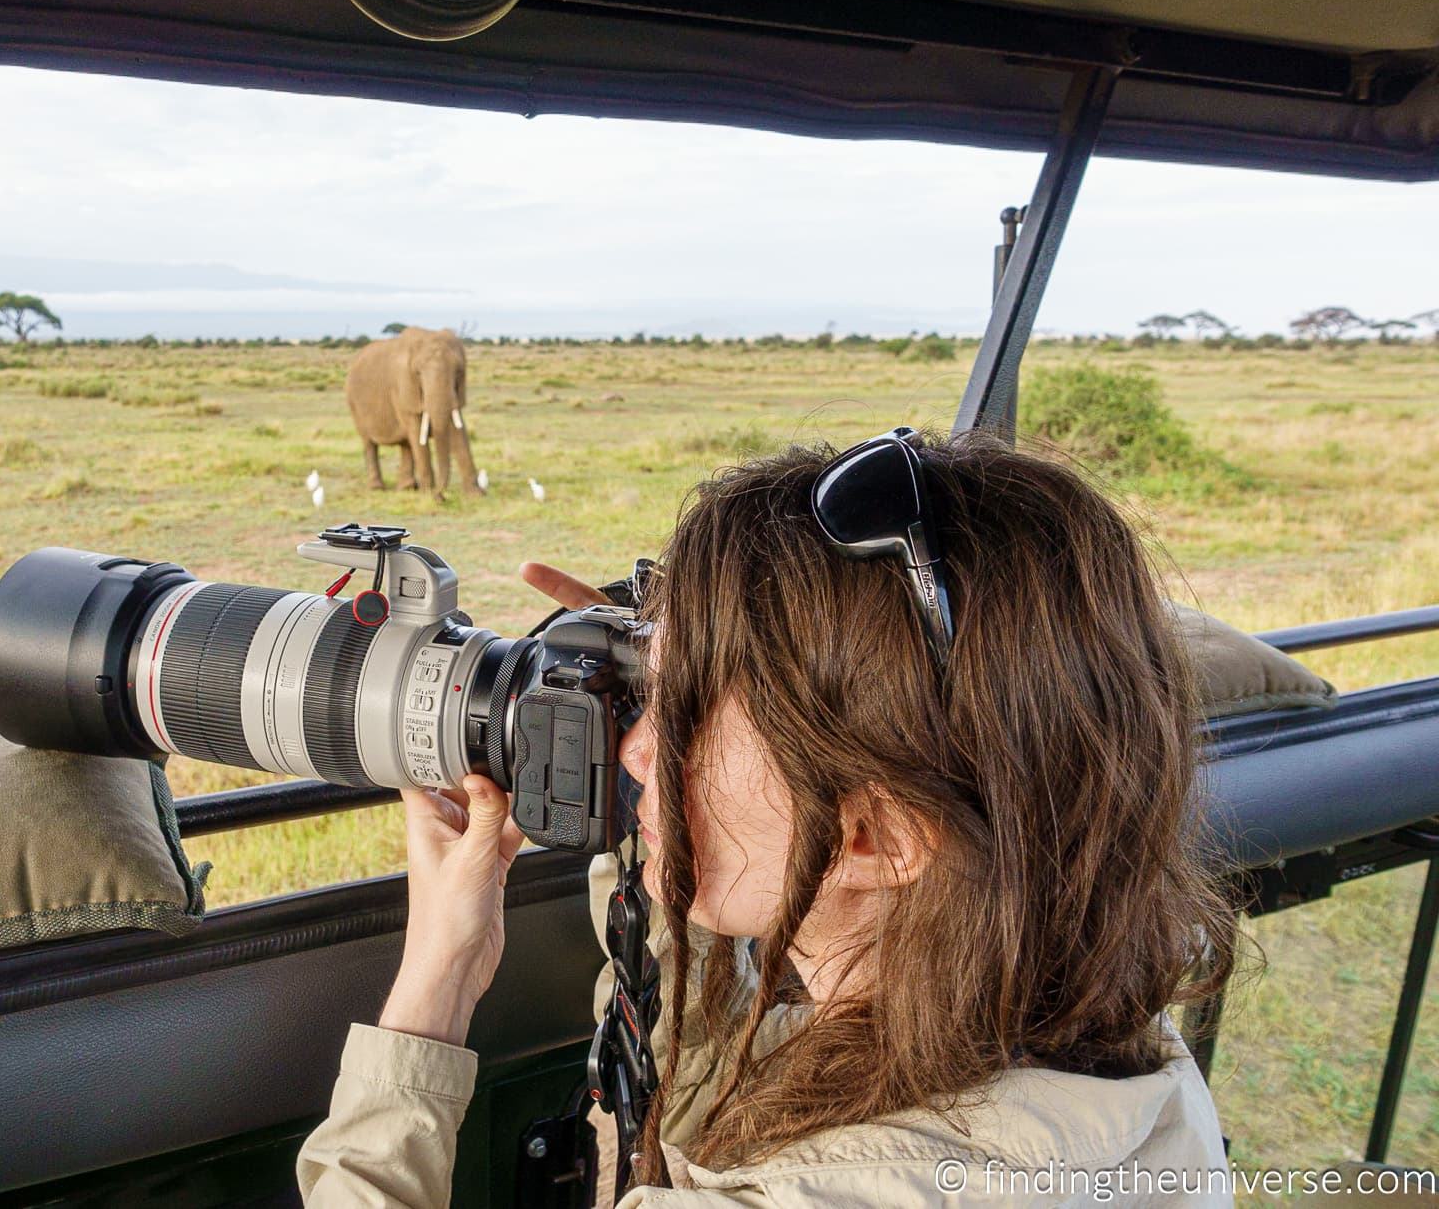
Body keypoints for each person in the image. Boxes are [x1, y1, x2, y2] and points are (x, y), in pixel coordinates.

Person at [295, 435, 1236, 1207]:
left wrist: (436, 981)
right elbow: (704, 1043)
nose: (631, 749)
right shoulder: (1096, 1052)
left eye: (689, 717)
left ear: (884, 836)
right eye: (653, 687)